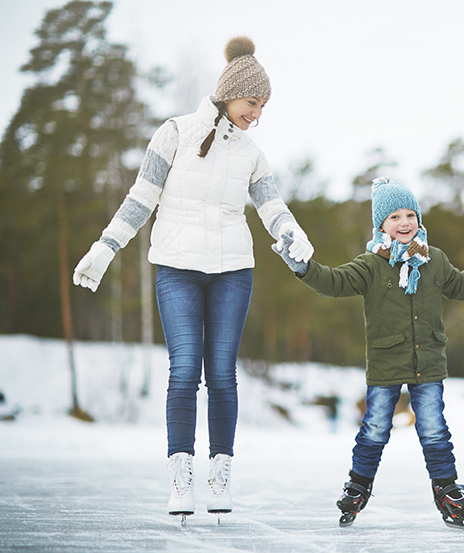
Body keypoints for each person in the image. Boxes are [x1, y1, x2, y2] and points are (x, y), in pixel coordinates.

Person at [72, 37, 314, 522]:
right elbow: (140, 198)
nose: (258, 114)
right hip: (177, 268)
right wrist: (106, 245)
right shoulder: (174, 134)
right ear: (229, 93)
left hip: (232, 272)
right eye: (253, 103)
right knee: (184, 370)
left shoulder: (250, 152)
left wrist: (292, 233)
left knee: (222, 374)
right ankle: (180, 476)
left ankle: (219, 473)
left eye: (264, 106)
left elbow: (271, 205)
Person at [276, 177, 464, 529]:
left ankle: (447, 490)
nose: (404, 223)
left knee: (434, 430)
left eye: (410, 215)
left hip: (429, 361)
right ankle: (358, 487)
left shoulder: (435, 260)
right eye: (394, 218)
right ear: (381, 225)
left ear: (418, 218)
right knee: (375, 428)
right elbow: (333, 281)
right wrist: (302, 267)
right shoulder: (371, 265)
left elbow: (463, 285)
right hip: (386, 363)